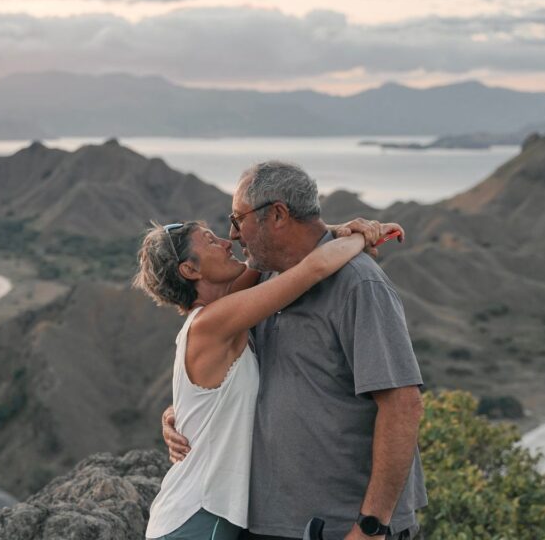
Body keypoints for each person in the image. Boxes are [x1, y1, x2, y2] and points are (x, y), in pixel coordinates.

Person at [163, 161, 427, 540]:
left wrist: (371, 525)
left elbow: (403, 405)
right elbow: (220, 372)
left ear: (278, 214)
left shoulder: (359, 284)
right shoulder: (266, 281)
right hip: (270, 522)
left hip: (340, 526)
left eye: (238, 220)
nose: (233, 235)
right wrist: (180, 413)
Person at [134, 215, 397, 540]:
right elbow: (312, 270)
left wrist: (333, 230)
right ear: (190, 270)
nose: (226, 242)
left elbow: (269, 256)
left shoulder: (220, 314)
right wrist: (364, 236)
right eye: (211, 241)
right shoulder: (211, 323)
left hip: (203, 516)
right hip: (199, 519)